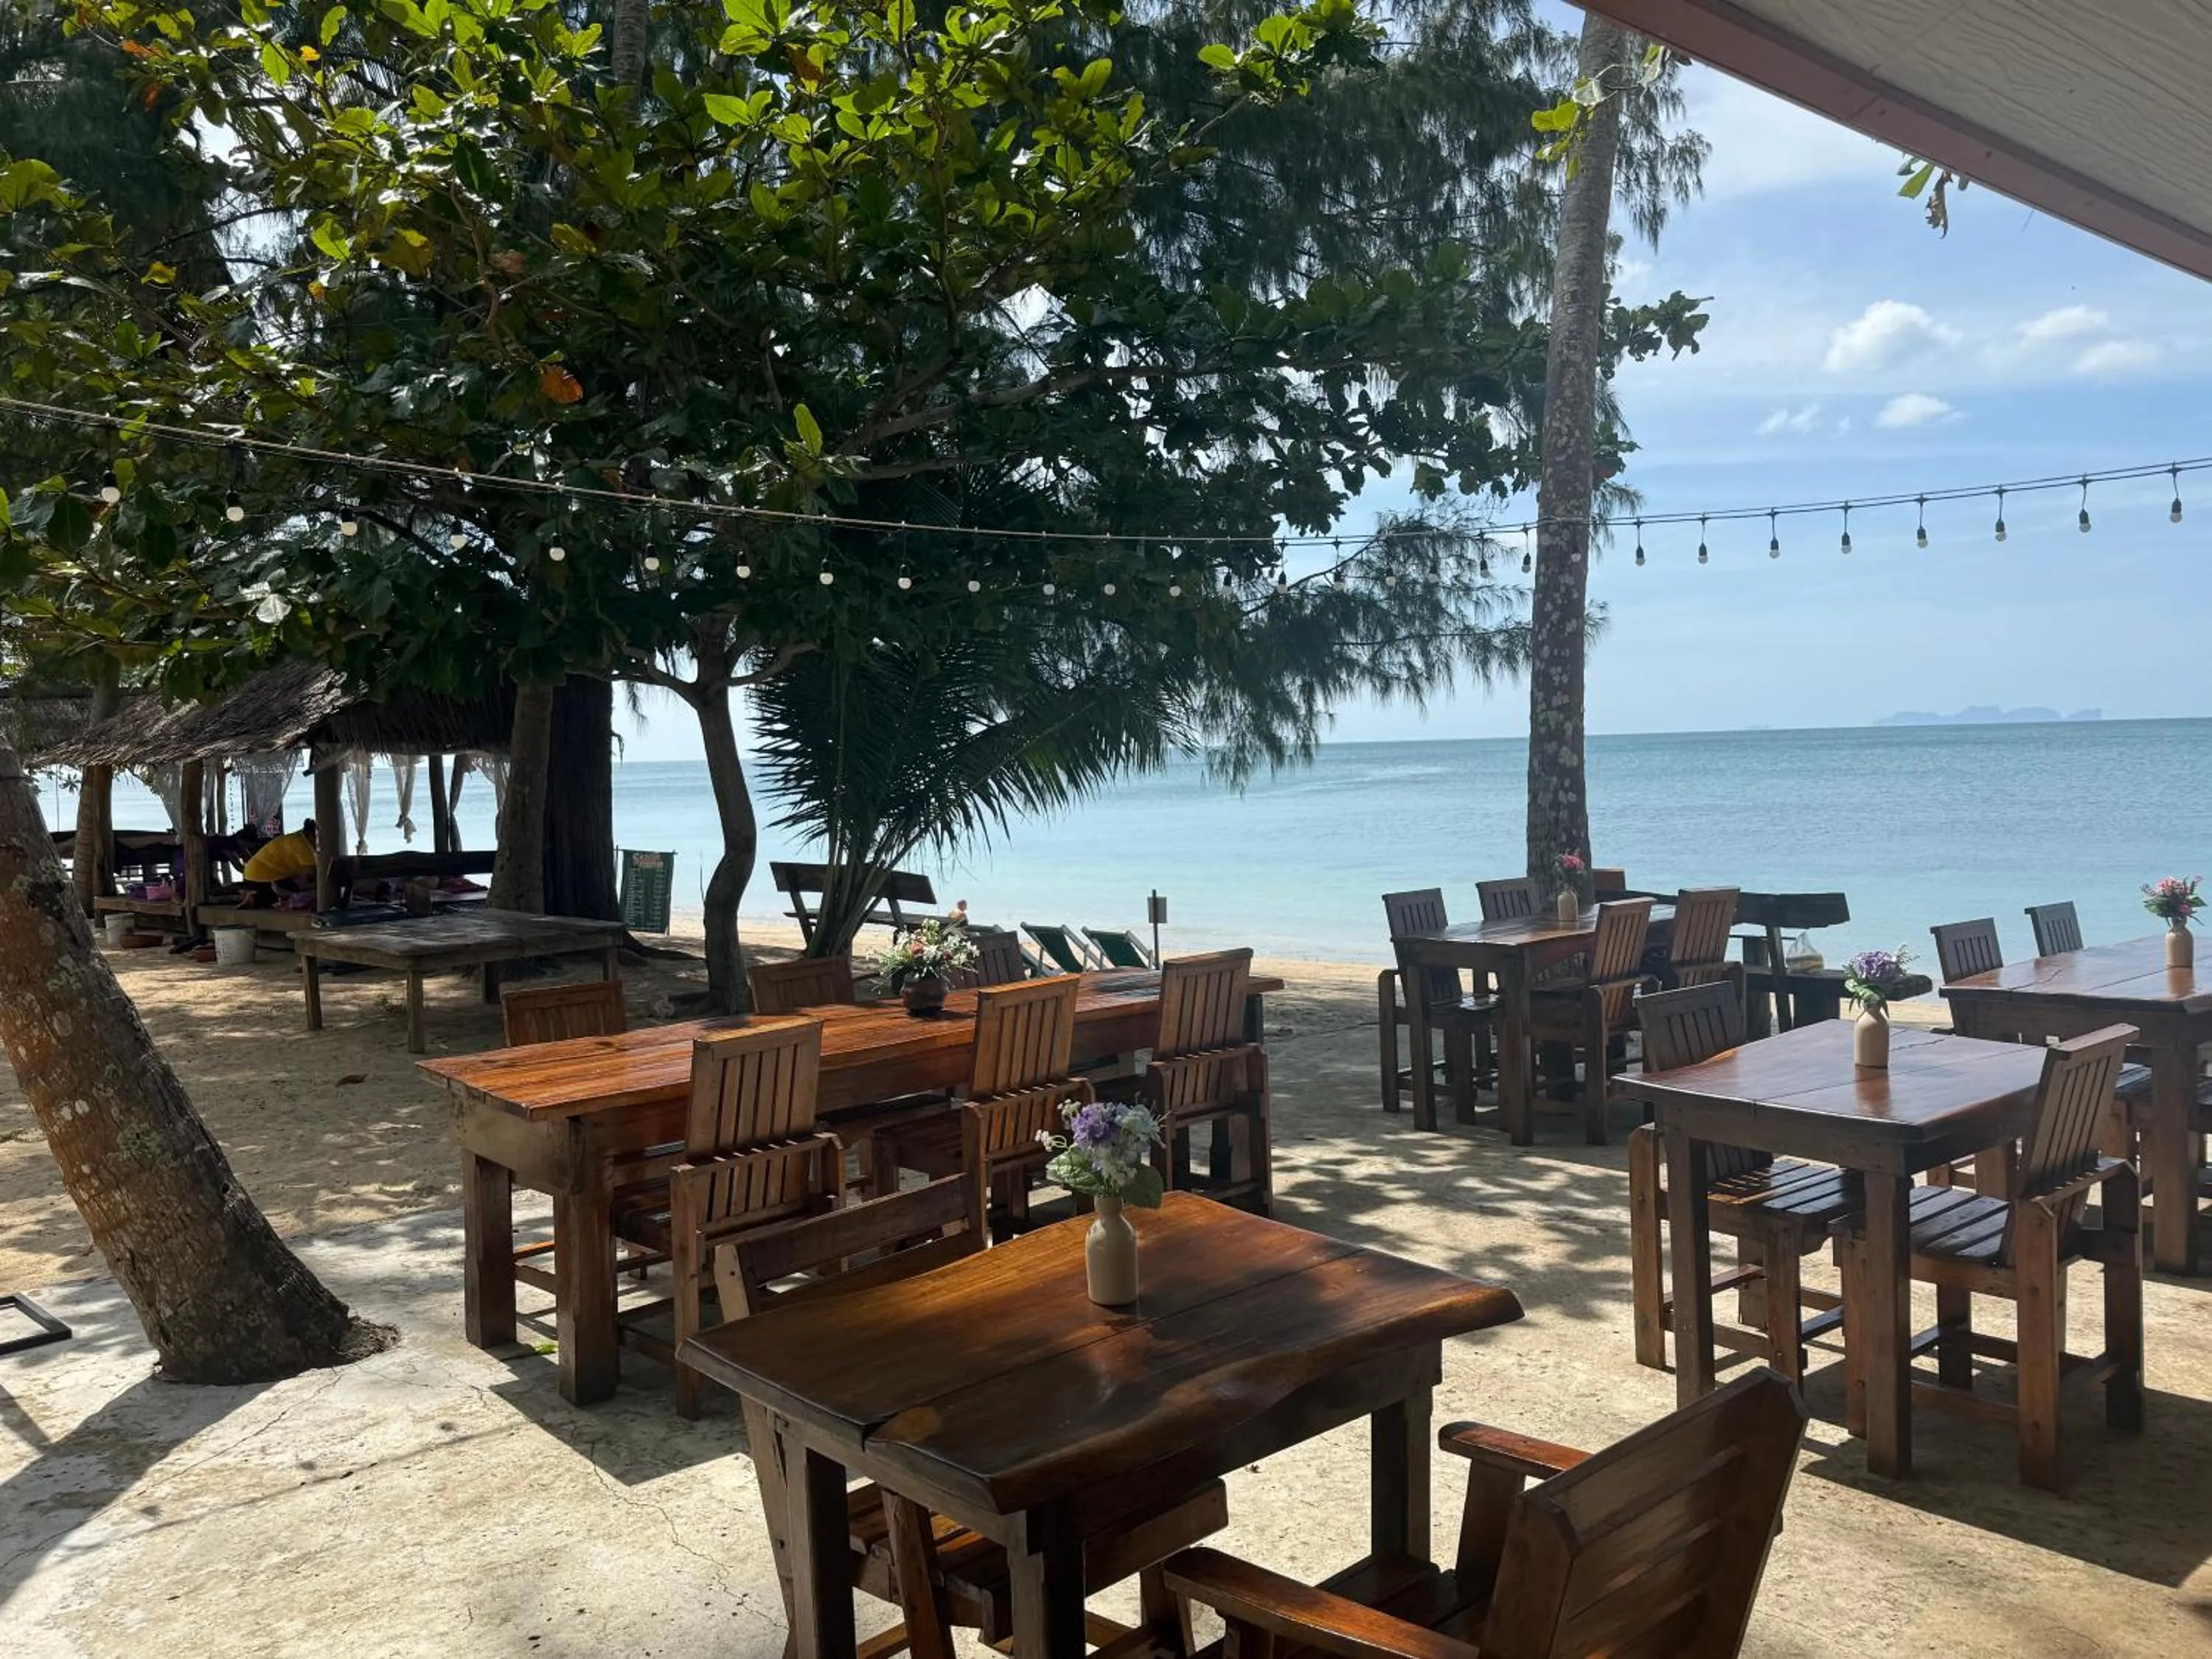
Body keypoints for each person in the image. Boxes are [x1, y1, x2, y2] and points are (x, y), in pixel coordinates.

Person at [240, 817, 319, 906]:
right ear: (311, 835)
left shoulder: (297, 838)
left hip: (253, 875)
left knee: (302, 886)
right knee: (306, 891)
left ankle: (251, 895)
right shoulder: (302, 845)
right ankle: (256, 898)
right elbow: (314, 874)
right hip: (263, 878)